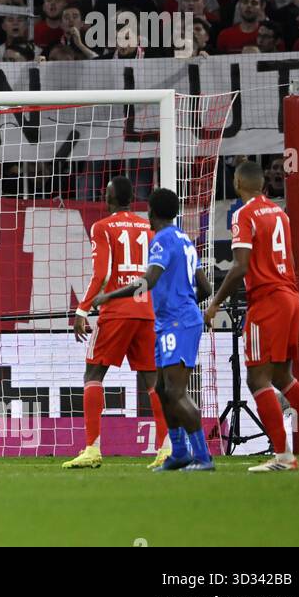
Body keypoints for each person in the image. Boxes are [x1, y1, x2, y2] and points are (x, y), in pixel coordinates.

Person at [203, 160, 299, 471]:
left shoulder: (243, 214)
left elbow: (239, 266)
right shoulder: (280, 214)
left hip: (267, 302)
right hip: (290, 297)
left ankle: (283, 455)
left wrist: (215, 303)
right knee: (282, 376)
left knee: (257, 378)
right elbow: (289, 257)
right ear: (263, 184)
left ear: (238, 183)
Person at [94, 188, 215, 471]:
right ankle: (179, 453)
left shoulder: (161, 240)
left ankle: (202, 457)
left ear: (152, 211)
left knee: (175, 391)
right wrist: (184, 305)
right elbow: (206, 287)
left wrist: (109, 296)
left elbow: (147, 281)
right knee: (161, 388)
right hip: (174, 321)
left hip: (177, 323)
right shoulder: (184, 240)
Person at [64, 177, 171, 470]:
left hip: (116, 310)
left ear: (107, 198)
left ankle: (92, 448)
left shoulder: (102, 227)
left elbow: (101, 274)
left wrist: (82, 310)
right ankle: (165, 448)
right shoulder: (149, 229)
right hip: (146, 311)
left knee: (93, 374)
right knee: (153, 381)